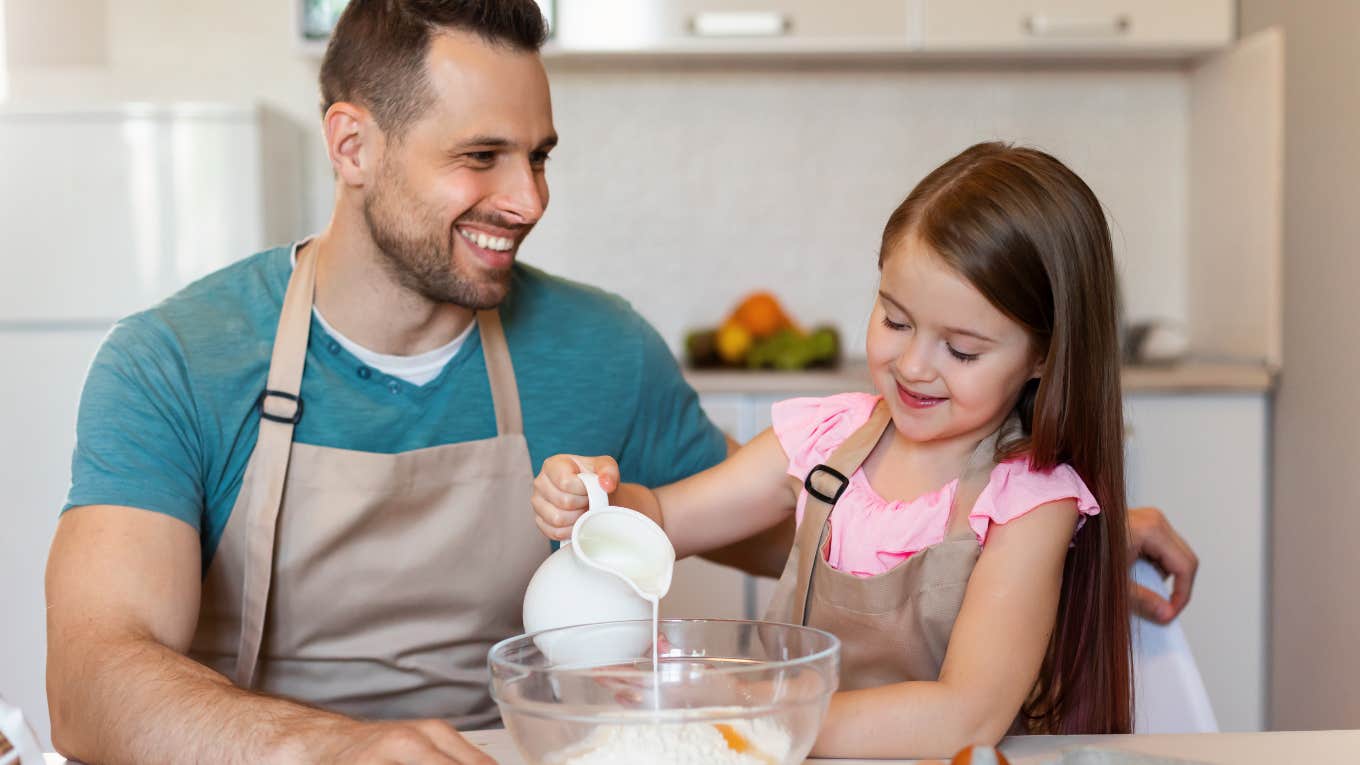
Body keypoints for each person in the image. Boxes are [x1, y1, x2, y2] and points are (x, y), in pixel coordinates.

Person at [42, 2, 1196, 764]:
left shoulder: (599, 348)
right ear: (353, 147)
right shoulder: (177, 361)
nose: (529, 200)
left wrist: (1048, 531)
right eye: (480, 157)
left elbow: (786, 522)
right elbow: (92, 682)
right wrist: (335, 748)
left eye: (538, 156)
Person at [533, 142, 1136, 759]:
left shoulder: (1029, 500)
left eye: (961, 349)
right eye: (896, 320)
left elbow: (965, 717)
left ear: (1043, 355)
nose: (913, 366)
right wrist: (596, 503)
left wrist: (750, 708)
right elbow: (663, 519)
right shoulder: (825, 440)